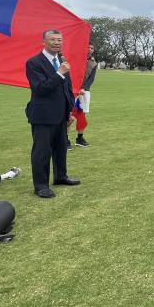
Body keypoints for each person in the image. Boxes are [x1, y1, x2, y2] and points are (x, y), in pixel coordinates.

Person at [25, 29, 81, 198]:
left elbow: (67, 89)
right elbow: (40, 89)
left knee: (60, 148)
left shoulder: (61, 61)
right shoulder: (34, 63)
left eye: (59, 40)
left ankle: (60, 176)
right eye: (53, 40)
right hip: (43, 115)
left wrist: (69, 111)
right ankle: (41, 185)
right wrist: (59, 73)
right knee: (42, 151)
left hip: (61, 114)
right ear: (44, 42)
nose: (57, 43)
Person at [67, 42, 98, 148]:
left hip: (84, 91)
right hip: (73, 90)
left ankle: (80, 138)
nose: (89, 49)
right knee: (69, 115)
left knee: (82, 115)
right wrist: (76, 88)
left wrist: (83, 88)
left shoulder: (94, 63)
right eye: (88, 47)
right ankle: (65, 140)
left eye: (92, 48)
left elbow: (91, 78)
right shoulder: (76, 59)